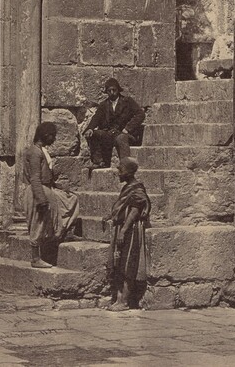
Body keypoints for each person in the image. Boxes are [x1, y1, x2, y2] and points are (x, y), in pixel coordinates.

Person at [20, 121, 81, 269]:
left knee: (70, 200)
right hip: (38, 191)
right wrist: (41, 199)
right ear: (46, 136)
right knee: (38, 222)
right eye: (52, 136)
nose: (54, 139)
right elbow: (35, 177)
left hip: (46, 189)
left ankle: (61, 234)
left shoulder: (40, 150)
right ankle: (35, 258)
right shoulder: (34, 152)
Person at [106, 157, 151, 310]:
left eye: (121, 170)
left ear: (129, 172)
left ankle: (124, 301)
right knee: (119, 263)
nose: (118, 173)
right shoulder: (127, 187)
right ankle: (118, 299)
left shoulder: (137, 188)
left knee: (128, 263)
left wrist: (123, 231)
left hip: (130, 230)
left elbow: (134, 211)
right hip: (122, 228)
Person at [84, 78, 144, 167]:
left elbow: (140, 114)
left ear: (118, 90)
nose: (112, 92)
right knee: (94, 134)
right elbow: (96, 118)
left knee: (121, 138)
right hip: (109, 133)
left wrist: (128, 128)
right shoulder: (103, 105)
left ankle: (126, 167)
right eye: (109, 90)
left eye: (114, 90)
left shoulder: (127, 101)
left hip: (125, 133)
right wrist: (90, 128)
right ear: (106, 92)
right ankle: (99, 162)